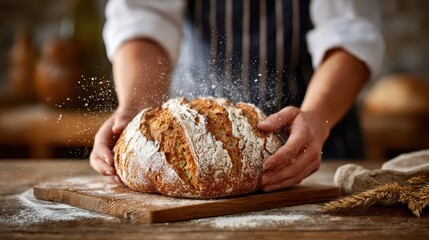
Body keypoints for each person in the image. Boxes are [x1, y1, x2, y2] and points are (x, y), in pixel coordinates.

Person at [90, 0, 384, 192]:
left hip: (319, 143)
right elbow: (144, 17)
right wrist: (136, 111)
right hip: (187, 132)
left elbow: (349, 32)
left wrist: (318, 116)